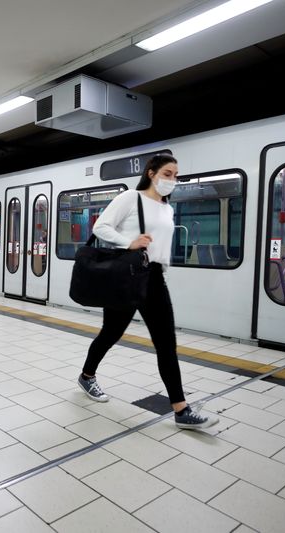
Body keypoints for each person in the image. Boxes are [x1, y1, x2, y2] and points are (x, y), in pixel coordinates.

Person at [77, 153, 218, 430]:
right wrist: (128, 242)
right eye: (167, 174)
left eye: (175, 176)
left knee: (166, 343)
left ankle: (181, 409)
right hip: (127, 276)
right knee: (111, 333)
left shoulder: (168, 208)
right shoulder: (130, 198)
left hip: (154, 278)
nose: (172, 180)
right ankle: (86, 375)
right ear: (151, 173)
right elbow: (100, 226)